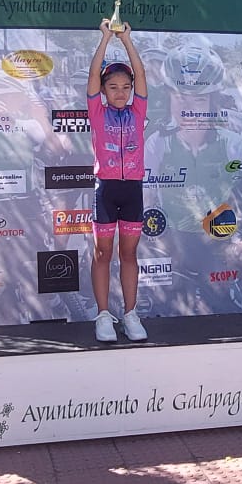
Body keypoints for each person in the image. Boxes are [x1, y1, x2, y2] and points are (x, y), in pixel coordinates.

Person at [87, 21, 150, 343]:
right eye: (113, 87)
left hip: (132, 190)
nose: (121, 92)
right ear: (103, 90)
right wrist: (104, 39)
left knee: (129, 255)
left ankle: (130, 313)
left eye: (126, 86)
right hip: (106, 190)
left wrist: (126, 40)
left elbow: (141, 74)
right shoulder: (97, 112)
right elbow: (93, 74)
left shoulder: (138, 111)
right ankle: (102, 315)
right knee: (102, 255)